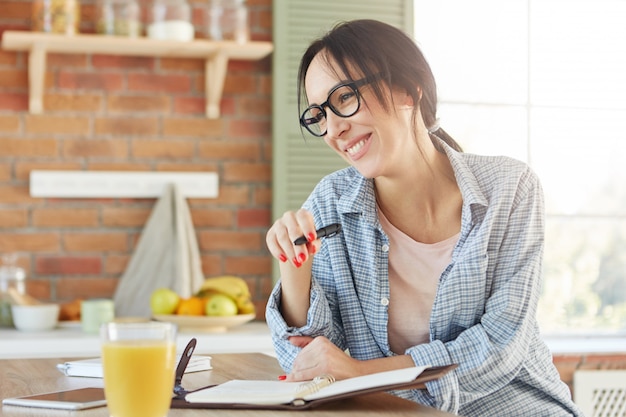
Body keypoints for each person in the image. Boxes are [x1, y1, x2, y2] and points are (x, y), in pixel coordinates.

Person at [265, 19, 583, 416]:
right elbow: (306, 362)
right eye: (318, 115)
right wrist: (294, 267)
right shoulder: (331, 202)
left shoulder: (510, 188)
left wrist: (364, 373)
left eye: (344, 99)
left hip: (518, 405)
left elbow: (502, 343)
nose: (333, 129)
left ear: (407, 89)